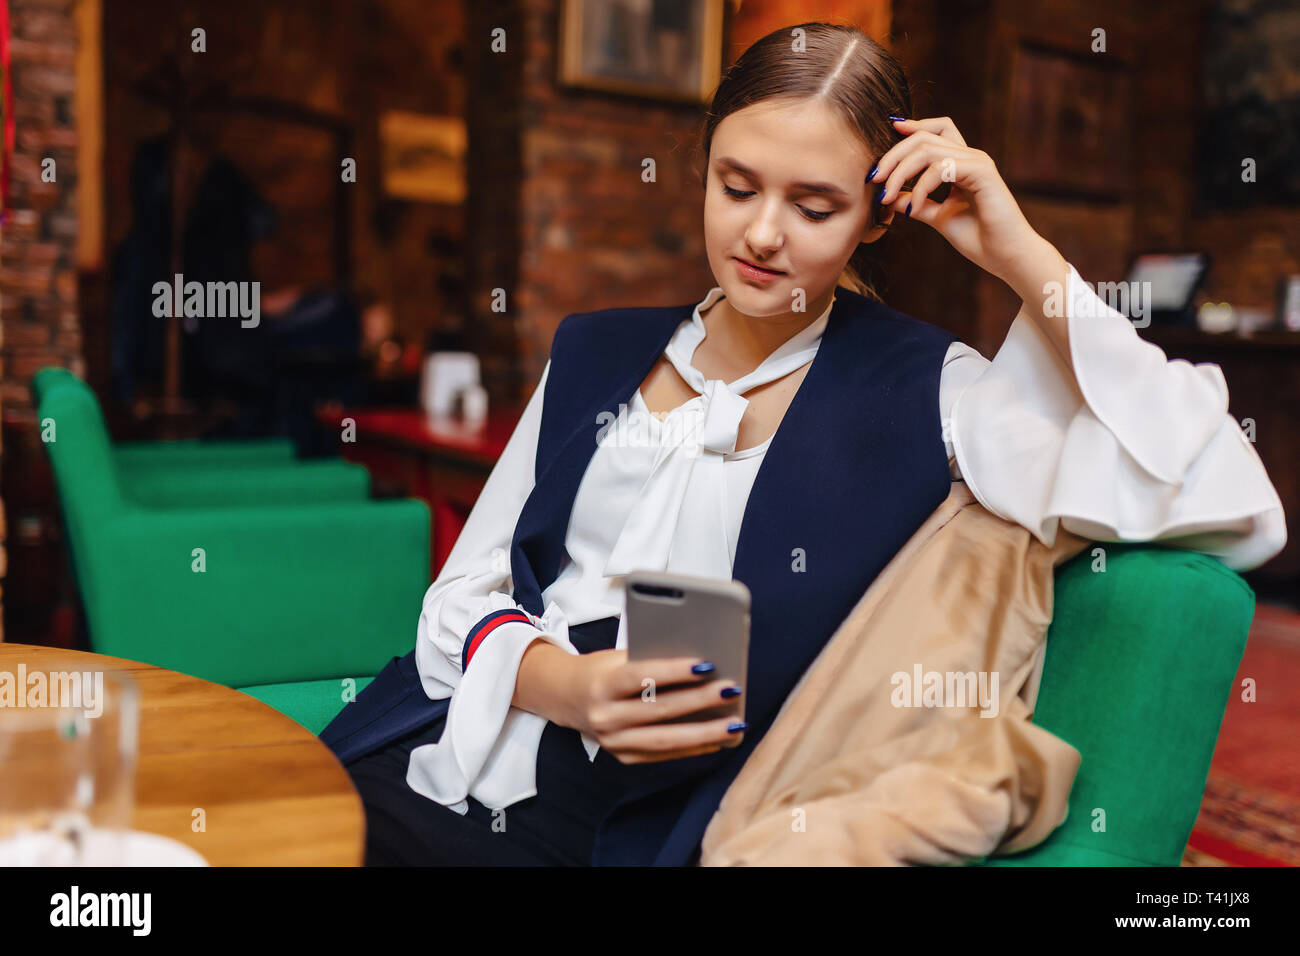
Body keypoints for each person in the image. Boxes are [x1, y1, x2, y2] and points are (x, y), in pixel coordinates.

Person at [321, 21, 1286, 866]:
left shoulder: (933, 393)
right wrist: (569, 687)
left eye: (816, 207)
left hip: (662, 819)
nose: (763, 234)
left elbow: (1225, 493)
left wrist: (1015, 249)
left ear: (877, 215)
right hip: (466, 739)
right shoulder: (595, 349)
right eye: (735, 186)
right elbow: (465, 591)